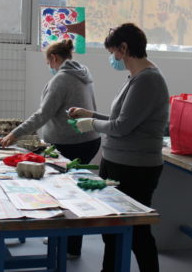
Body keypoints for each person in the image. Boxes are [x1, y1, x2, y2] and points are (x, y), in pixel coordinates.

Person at [68, 23, 169, 272]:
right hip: (118, 163)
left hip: (135, 168)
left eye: (113, 51)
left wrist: (90, 123)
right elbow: (121, 119)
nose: (112, 58)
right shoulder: (135, 78)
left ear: (124, 48)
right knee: (112, 230)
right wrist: (89, 113)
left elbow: (122, 127)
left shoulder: (148, 80)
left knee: (136, 232)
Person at [0, 39, 101, 258]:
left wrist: (14, 134)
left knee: (65, 193)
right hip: (90, 139)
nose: (50, 67)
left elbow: (42, 115)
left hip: (70, 144)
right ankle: (66, 240)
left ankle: (68, 245)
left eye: (49, 62)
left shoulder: (61, 79)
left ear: (54, 58)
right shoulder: (84, 74)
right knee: (76, 191)